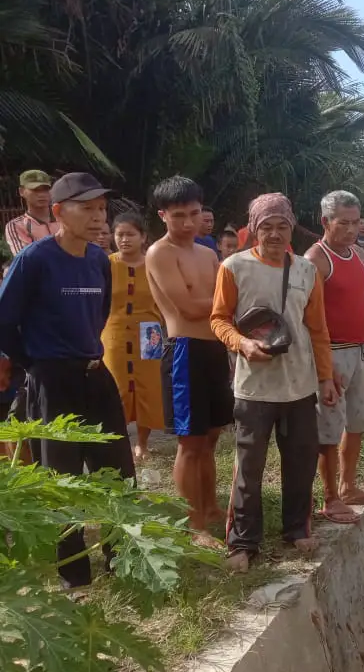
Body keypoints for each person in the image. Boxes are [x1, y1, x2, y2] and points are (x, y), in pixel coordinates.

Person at [0, 172, 137, 588]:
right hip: (51, 379)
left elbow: (100, 314)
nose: (99, 218)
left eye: (101, 209)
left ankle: (122, 559)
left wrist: (85, 352)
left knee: (117, 470)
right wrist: (33, 363)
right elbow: (4, 322)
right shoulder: (35, 260)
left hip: (95, 374)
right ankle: (74, 574)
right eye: (87, 208)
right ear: (59, 212)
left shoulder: (99, 260)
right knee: (60, 478)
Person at [211, 193, 337, 572]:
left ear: (292, 229)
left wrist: (326, 378)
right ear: (254, 230)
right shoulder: (233, 268)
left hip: (300, 385)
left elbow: (318, 330)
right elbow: (218, 320)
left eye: (283, 226)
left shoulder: (306, 271)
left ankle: (297, 528)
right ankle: (243, 543)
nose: (276, 234)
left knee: (300, 462)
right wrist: (242, 344)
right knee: (248, 467)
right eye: (267, 227)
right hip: (254, 388)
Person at [146, 176, 233, 535]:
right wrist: (228, 304)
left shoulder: (208, 253)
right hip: (184, 351)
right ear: (163, 215)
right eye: (178, 215)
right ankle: (193, 525)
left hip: (213, 348)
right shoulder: (159, 253)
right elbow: (188, 306)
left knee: (211, 437)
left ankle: (210, 507)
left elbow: (221, 304)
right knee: (190, 443)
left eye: (194, 214)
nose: (187, 223)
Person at [305, 190, 364, 525]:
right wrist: (324, 367)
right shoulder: (315, 260)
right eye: (344, 223)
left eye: (356, 223)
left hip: (358, 351)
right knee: (328, 429)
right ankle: (330, 497)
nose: (352, 230)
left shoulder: (358, 255)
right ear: (326, 222)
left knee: (356, 423)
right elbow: (309, 318)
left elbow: (362, 305)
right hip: (332, 355)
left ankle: (349, 486)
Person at [101, 211, 165, 462]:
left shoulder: (154, 264)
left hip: (150, 332)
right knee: (117, 387)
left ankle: (143, 444)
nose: (124, 239)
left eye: (130, 234)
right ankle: (121, 444)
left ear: (143, 237)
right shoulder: (106, 264)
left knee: (148, 387)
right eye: (120, 234)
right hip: (114, 330)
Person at [5, 169, 58, 255]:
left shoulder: (64, 218)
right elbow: (26, 259)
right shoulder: (17, 226)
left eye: (45, 189)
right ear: (21, 191)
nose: (41, 194)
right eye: (35, 190)